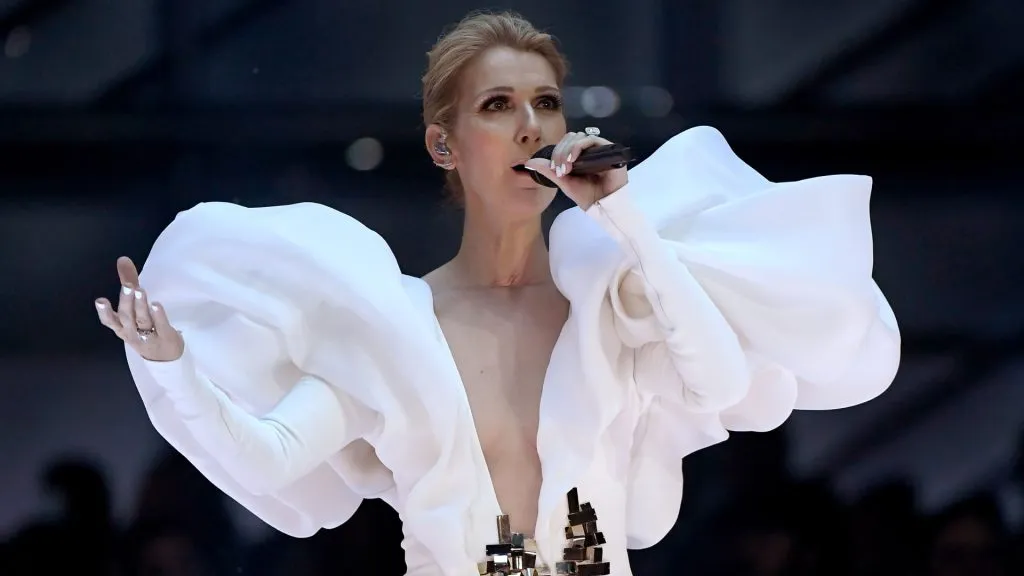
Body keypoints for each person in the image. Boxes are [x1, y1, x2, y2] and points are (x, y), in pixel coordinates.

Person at [94, 10, 901, 576]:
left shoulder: (606, 300)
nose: (530, 127)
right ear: (444, 144)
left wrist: (622, 214)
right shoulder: (393, 323)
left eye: (545, 103)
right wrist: (170, 364)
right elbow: (265, 455)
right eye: (497, 105)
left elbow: (718, 382)